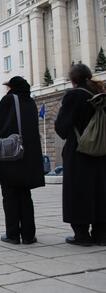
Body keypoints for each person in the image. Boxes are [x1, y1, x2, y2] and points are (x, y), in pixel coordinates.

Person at [0, 76, 44, 245]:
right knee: (25, 195)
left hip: (11, 158)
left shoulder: (9, 100)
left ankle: (13, 234)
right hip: (27, 157)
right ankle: (29, 235)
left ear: (12, 87)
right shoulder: (31, 103)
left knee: (10, 195)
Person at [55, 64, 106, 246]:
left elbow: (61, 127)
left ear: (73, 80)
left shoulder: (74, 95)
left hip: (80, 151)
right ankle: (101, 235)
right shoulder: (100, 94)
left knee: (78, 191)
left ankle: (82, 235)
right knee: (100, 191)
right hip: (102, 151)